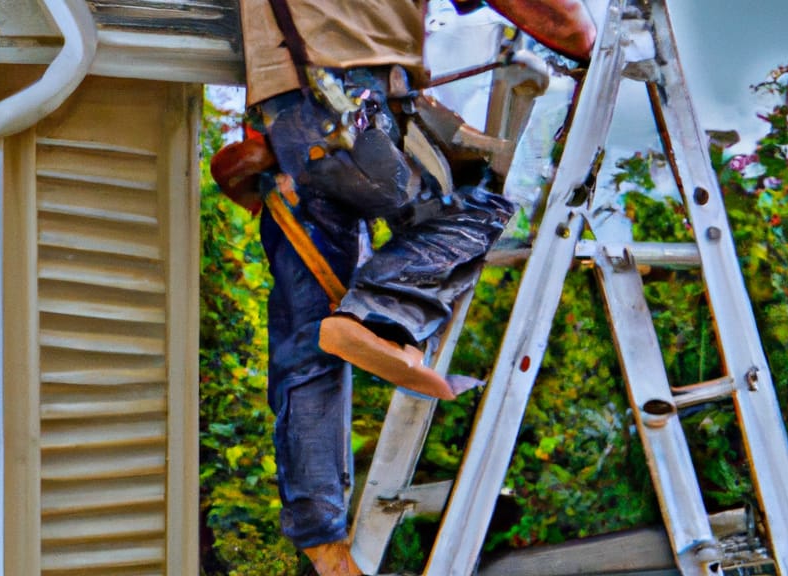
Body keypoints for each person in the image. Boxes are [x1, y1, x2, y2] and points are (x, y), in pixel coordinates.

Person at [227, 1, 595, 573]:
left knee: (307, 344)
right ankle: (378, 317)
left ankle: (324, 545)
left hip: (285, 133)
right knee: (476, 209)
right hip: (353, 108)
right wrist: (592, 44)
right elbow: (558, 20)